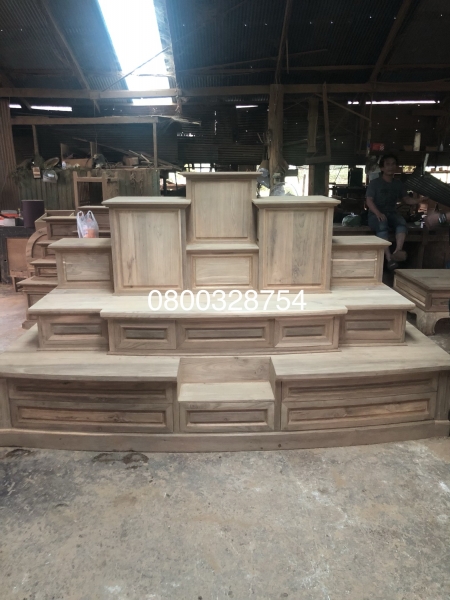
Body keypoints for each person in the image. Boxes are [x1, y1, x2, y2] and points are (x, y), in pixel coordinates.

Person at [365, 154, 420, 269]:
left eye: (393, 164)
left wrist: (420, 200)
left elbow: (406, 199)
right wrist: (378, 213)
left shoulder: (398, 184)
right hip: (375, 214)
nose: (391, 167)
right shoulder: (375, 183)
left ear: (396, 167)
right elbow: (369, 200)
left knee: (401, 223)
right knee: (382, 225)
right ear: (382, 168)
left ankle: (398, 251)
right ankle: (389, 259)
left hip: (391, 213)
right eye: (388, 164)